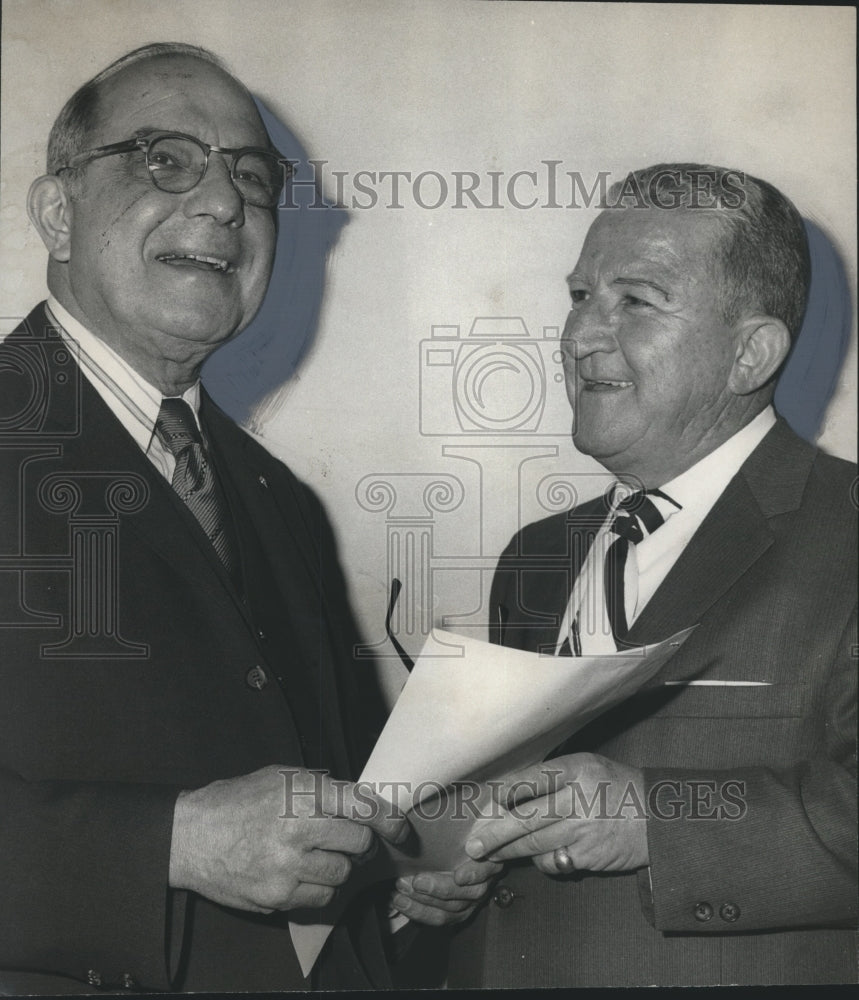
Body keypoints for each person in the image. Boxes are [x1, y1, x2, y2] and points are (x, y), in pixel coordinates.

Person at [0, 42, 493, 993]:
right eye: (167, 160)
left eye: (252, 177)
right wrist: (171, 845)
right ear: (58, 213)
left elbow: (311, 810)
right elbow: (202, 835)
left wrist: (396, 869)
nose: (225, 203)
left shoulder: (274, 498)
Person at [446, 164, 858, 987]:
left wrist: (657, 820)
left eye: (634, 300)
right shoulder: (535, 557)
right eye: (578, 296)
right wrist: (443, 877)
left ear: (750, 353)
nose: (579, 336)